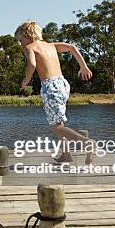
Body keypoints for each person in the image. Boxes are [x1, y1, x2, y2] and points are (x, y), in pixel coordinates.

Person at [15, 21, 95, 164]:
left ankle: (87, 143)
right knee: (58, 123)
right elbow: (71, 47)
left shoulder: (29, 47)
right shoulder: (50, 45)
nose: (20, 43)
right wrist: (83, 66)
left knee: (55, 126)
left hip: (50, 87)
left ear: (28, 36)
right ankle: (66, 154)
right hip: (62, 84)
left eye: (20, 39)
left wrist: (26, 80)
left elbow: (32, 64)